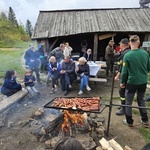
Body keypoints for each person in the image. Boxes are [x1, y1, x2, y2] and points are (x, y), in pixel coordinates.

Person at [120, 35, 150, 128]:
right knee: (141, 100)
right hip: (143, 81)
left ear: (129, 43)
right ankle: (145, 120)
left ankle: (129, 122)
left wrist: (122, 82)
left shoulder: (127, 55)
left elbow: (124, 72)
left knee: (128, 102)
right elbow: (148, 67)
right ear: (139, 43)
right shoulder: (145, 53)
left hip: (131, 82)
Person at [114, 38, 130, 115]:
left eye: (120, 44)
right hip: (127, 75)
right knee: (123, 92)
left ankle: (124, 108)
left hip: (125, 75)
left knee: (122, 91)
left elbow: (123, 67)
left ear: (123, 45)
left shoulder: (125, 54)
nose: (119, 45)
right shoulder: (127, 52)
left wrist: (117, 76)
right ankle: (122, 105)